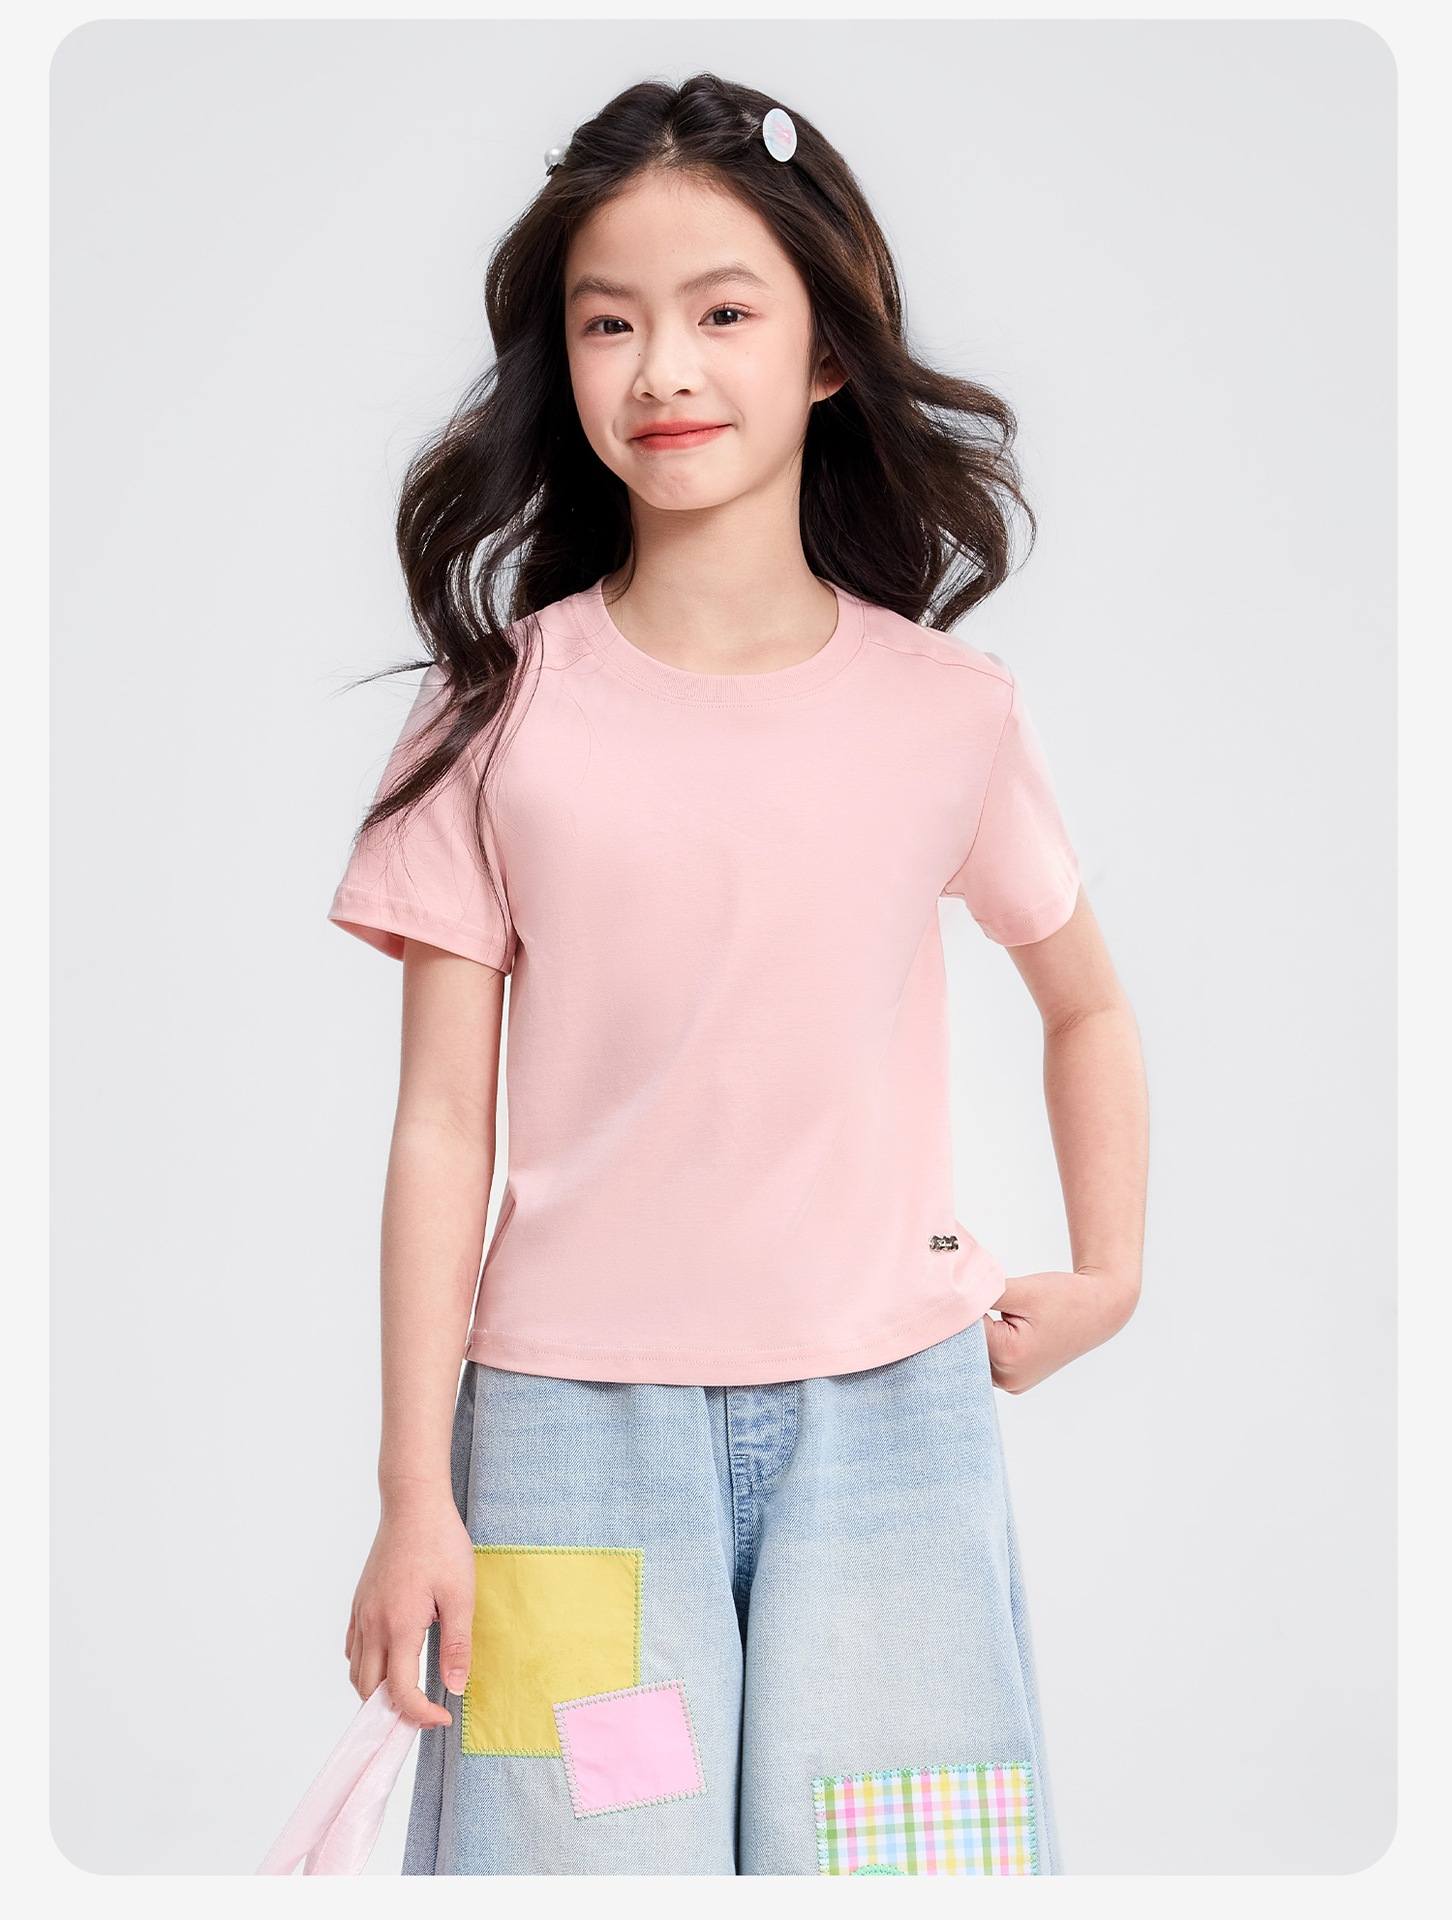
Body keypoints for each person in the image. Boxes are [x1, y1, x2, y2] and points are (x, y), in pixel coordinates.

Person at [325, 72, 1148, 1877]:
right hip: (565, 1451)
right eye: (607, 323)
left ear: (828, 351)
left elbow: (1084, 1000)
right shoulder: (497, 714)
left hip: (894, 1426)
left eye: (722, 313)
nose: (661, 370)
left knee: (898, 1876)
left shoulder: (945, 713)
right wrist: (412, 1492)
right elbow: (440, 1123)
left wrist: (1112, 1274)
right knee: (588, 1873)